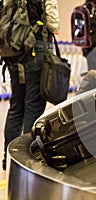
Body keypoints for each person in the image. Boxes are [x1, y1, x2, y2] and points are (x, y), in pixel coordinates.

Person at [2, 0, 60, 171]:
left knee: (16, 107)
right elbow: (52, 23)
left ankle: (9, 158)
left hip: (13, 51)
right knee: (33, 107)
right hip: (35, 49)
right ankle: (25, 160)